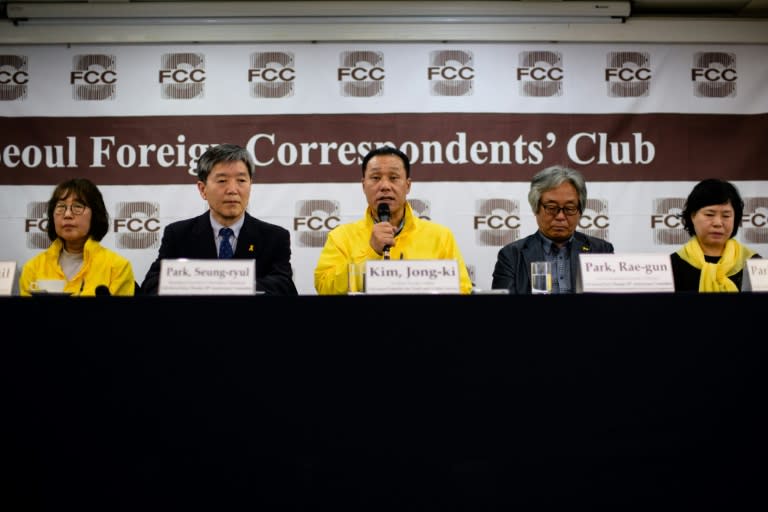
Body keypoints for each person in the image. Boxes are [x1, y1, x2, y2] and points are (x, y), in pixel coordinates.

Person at [140, 143, 298, 295]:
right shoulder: (178, 234)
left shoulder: (274, 237)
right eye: (222, 181)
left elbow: (284, 286)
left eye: (241, 180)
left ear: (251, 185)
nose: (232, 190)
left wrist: (232, 285)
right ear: (203, 189)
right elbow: (152, 285)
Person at [314, 145, 473, 295]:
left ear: (408, 185)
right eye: (375, 178)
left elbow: (463, 288)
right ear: (363, 185)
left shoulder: (440, 236)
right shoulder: (340, 237)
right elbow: (324, 287)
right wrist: (371, 252)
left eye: (394, 177)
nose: (384, 186)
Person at [492, 165, 614, 294]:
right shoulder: (512, 255)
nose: (560, 216)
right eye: (551, 207)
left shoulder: (601, 251)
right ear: (536, 208)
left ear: (580, 211)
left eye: (570, 208)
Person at [18, 178, 136, 296]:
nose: (67, 214)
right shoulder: (33, 268)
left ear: (95, 215)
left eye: (78, 207)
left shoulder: (117, 267)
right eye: (61, 207)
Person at [670, 178, 760, 292]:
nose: (718, 223)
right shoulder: (672, 266)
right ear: (692, 216)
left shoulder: (754, 264)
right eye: (709, 214)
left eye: (726, 216)